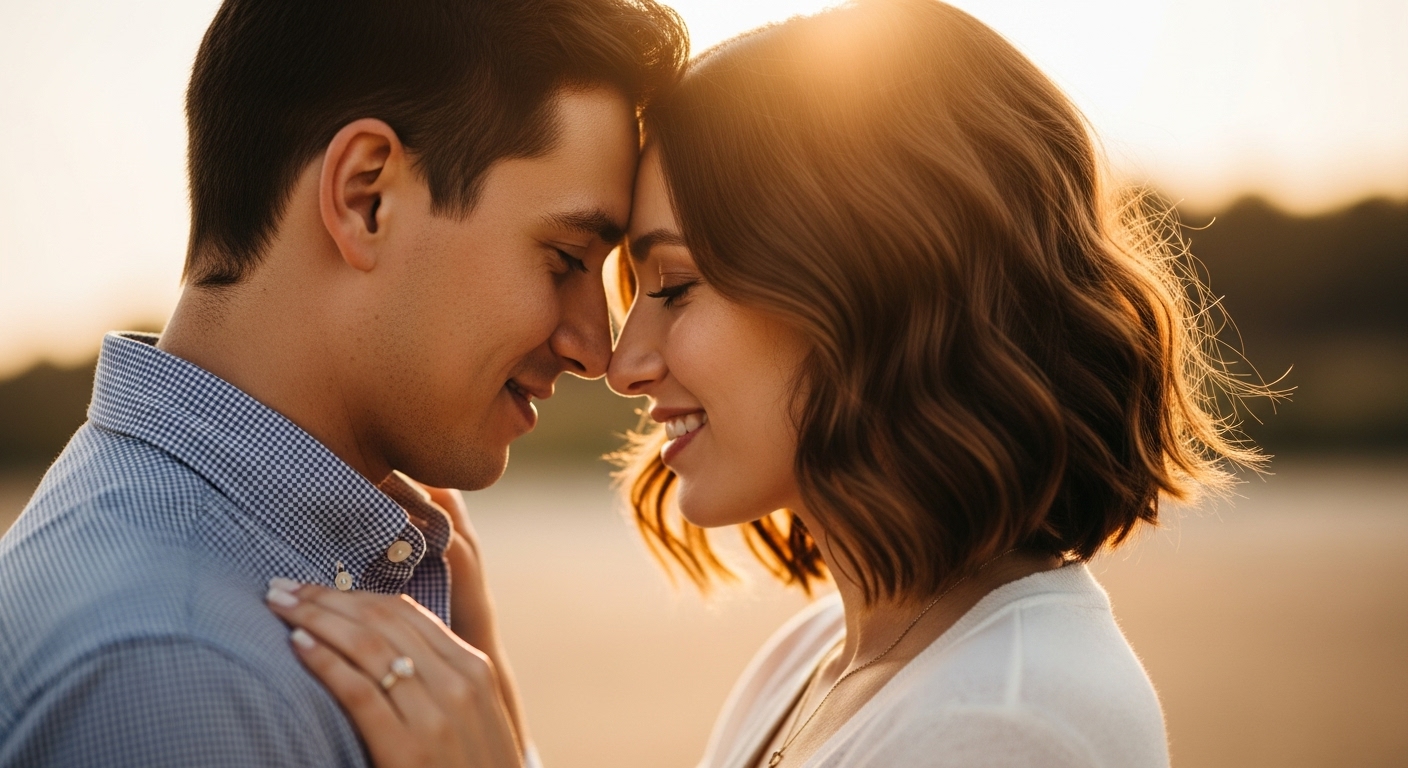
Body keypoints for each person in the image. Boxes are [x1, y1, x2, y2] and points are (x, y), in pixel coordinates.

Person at [265, 0, 1269, 766]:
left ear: (869, 286)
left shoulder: (1005, 719)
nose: (620, 362)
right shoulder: (822, 656)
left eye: (674, 286)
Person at [0, 1, 686, 766]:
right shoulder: (187, 678)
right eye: (564, 259)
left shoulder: (151, 552)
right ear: (367, 197)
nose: (596, 348)